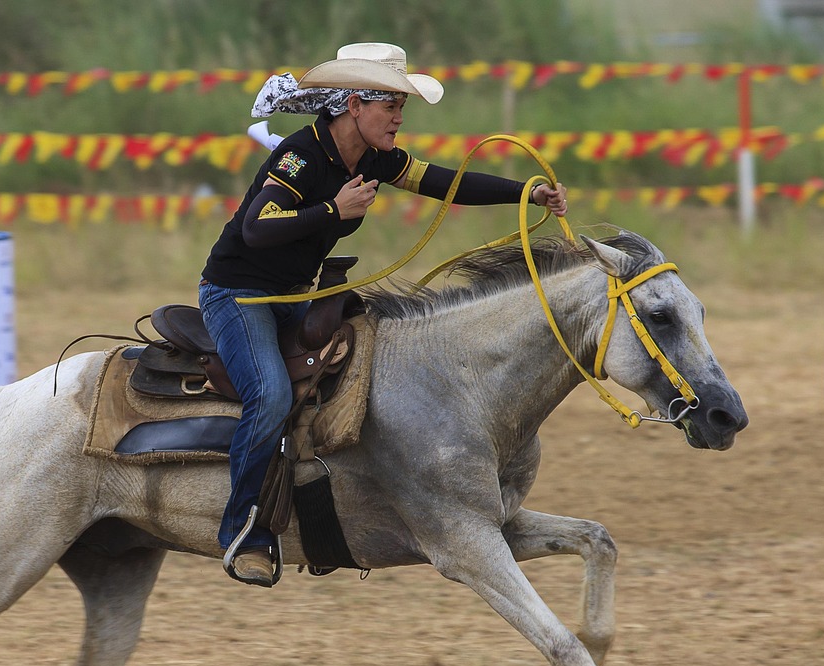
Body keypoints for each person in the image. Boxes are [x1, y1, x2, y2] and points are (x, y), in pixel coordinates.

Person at [199, 42, 567, 588]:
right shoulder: (299, 156)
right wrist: (332, 210)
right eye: (390, 106)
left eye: (402, 107)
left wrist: (527, 193)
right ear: (355, 104)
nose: (399, 118)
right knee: (272, 396)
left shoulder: (373, 158)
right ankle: (244, 532)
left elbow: (446, 181)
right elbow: (256, 227)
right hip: (238, 295)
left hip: (297, 294)